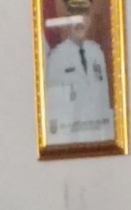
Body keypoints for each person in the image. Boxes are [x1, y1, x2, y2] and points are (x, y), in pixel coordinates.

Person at [45, 0, 115, 145]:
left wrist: (108, 136)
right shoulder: (57, 57)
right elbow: (53, 106)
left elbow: (103, 98)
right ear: (68, 22)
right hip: (70, 137)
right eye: (74, 17)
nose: (79, 24)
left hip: (97, 136)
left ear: (88, 21)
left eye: (83, 17)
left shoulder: (97, 53)